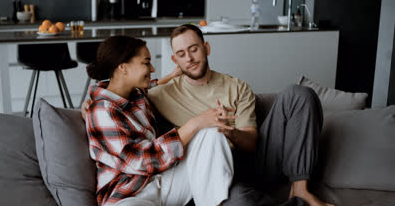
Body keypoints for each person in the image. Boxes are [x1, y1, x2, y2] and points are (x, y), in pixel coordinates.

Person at [146, 24, 334, 206]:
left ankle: (300, 189)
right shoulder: (162, 93)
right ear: (175, 60)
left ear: (206, 48)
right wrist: (169, 77)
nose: (189, 58)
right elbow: (126, 88)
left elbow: (251, 143)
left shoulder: (236, 87)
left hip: (252, 161)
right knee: (240, 202)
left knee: (299, 94)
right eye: (181, 54)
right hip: (218, 175)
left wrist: (228, 132)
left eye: (194, 49)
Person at [84, 35, 237, 206]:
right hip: (129, 195)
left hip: (164, 181)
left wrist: (173, 75)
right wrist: (195, 123)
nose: (152, 68)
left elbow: (152, 85)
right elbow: (141, 160)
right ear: (123, 68)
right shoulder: (102, 111)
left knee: (211, 131)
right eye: (146, 62)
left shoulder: (136, 94)